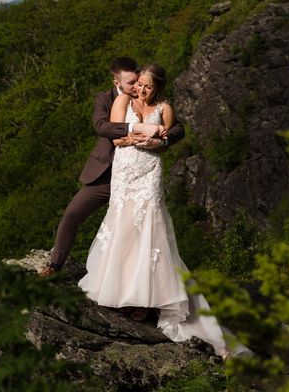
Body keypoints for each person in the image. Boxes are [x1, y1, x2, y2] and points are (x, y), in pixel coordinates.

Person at [77, 64, 239, 358]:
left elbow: (166, 144)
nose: (141, 89)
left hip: (149, 171)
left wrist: (157, 141)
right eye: (139, 83)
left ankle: (144, 300)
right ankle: (121, 289)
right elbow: (114, 137)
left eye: (148, 86)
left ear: (158, 89)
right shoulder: (123, 100)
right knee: (124, 227)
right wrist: (136, 137)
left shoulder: (164, 108)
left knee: (150, 231)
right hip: (125, 172)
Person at [40, 57, 185, 276]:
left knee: (137, 233)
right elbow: (102, 127)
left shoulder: (155, 100)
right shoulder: (105, 99)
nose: (137, 88)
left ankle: (138, 284)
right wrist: (139, 127)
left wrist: (162, 139)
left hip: (142, 177)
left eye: (140, 82)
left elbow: (178, 128)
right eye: (132, 84)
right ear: (117, 83)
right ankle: (55, 265)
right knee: (72, 214)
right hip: (105, 175)